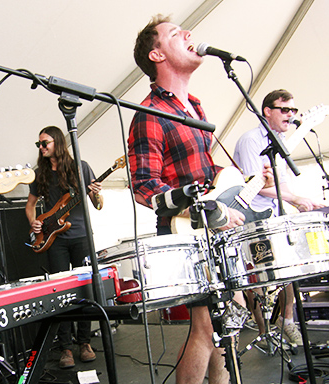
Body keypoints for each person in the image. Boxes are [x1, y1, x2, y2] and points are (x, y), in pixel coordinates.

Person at [128, 14, 271, 384]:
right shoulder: (150, 113)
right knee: (207, 328)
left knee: (229, 322)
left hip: (214, 231)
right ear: (157, 55)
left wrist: (246, 182)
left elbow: (204, 172)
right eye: (176, 34)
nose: (189, 35)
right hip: (186, 231)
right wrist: (202, 207)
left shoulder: (194, 105)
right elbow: (144, 186)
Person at [234, 89, 324, 347]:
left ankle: (286, 320)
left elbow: (280, 185)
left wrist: (304, 200)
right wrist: (295, 199)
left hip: (274, 214)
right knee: (259, 276)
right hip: (251, 216)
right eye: (285, 109)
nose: (291, 115)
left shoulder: (281, 141)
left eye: (294, 110)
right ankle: (264, 332)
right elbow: (256, 185)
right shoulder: (252, 140)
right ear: (267, 111)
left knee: (292, 268)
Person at [25, 125, 104, 369]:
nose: (41, 147)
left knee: (85, 291)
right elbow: (29, 206)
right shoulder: (40, 173)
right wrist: (34, 223)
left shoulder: (81, 167)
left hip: (81, 237)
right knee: (60, 293)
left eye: (44, 142)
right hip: (55, 239)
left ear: (58, 142)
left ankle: (85, 342)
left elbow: (98, 205)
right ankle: (65, 347)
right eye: (39, 144)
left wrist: (96, 194)